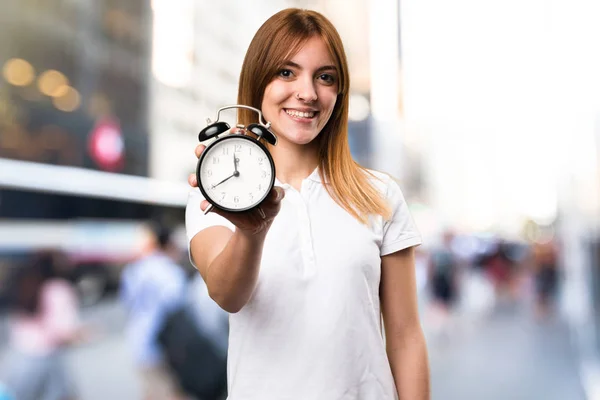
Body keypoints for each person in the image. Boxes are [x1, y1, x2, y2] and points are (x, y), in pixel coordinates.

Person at [186, 8, 429, 400]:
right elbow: (227, 295)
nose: (308, 92)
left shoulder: (379, 194)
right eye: (286, 72)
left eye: (325, 77)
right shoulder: (216, 192)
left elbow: (405, 337)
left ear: (340, 93)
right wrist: (252, 231)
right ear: (257, 81)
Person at [1, 251, 86, 400]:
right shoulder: (58, 289)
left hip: (19, 358)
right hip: (48, 359)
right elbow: (63, 331)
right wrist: (85, 333)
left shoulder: (24, 284)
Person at [120, 223, 188, 400]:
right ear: (169, 244)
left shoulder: (134, 269)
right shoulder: (170, 271)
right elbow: (177, 307)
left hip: (138, 341)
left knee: (151, 392)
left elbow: (127, 302)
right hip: (162, 345)